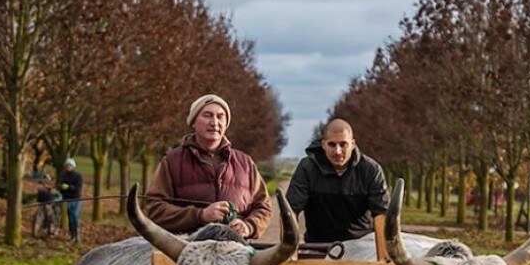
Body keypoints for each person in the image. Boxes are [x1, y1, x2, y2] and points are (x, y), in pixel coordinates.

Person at [143, 94, 271, 239]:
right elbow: (154, 208)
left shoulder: (246, 163)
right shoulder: (172, 161)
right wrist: (200, 215)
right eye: (207, 115)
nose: (214, 122)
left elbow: (263, 206)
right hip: (185, 252)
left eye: (220, 116)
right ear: (193, 122)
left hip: (236, 252)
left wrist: (248, 226)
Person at [285, 118, 389, 243]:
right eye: (332, 144)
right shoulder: (307, 168)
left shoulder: (371, 170)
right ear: (323, 145)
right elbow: (290, 211)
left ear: (353, 144)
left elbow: (381, 215)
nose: (338, 151)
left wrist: (383, 256)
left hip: (361, 246)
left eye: (343, 144)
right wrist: (290, 250)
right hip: (317, 246)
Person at [57, 157, 84, 243]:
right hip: (67, 199)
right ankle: (72, 235)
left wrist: (69, 187)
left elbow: (78, 188)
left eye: (70, 165)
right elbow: (59, 187)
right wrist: (62, 187)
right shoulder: (63, 176)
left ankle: (77, 234)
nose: (68, 167)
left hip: (76, 199)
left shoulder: (78, 176)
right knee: (70, 218)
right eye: (67, 165)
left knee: (74, 216)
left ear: (73, 166)